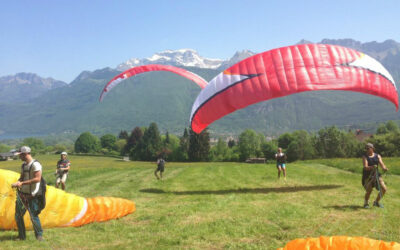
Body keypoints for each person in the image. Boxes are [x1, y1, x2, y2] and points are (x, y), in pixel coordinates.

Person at [11, 146, 44, 241]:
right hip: (22, 194)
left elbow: (37, 179)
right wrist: (18, 182)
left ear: (25, 154)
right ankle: (21, 236)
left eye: (20, 155)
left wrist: (22, 183)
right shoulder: (23, 165)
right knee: (18, 215)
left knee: (33, 216)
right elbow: (22, 177)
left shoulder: (36, 165)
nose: (19, 156)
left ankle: (39, 235)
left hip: (32, 195)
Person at [362, 143, 388, 208]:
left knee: (384, 189)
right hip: (368, 176)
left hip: (376, 174)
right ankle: (366, 203)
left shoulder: (378, 156)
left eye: (368, 148)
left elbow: (382, 164)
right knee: (369, 190)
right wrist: (372, 167)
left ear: (372, 148)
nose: (367, 150)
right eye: (366, 148)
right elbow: (365, 167)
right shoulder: (364, 156)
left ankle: (376, 202)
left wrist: (384, 168)